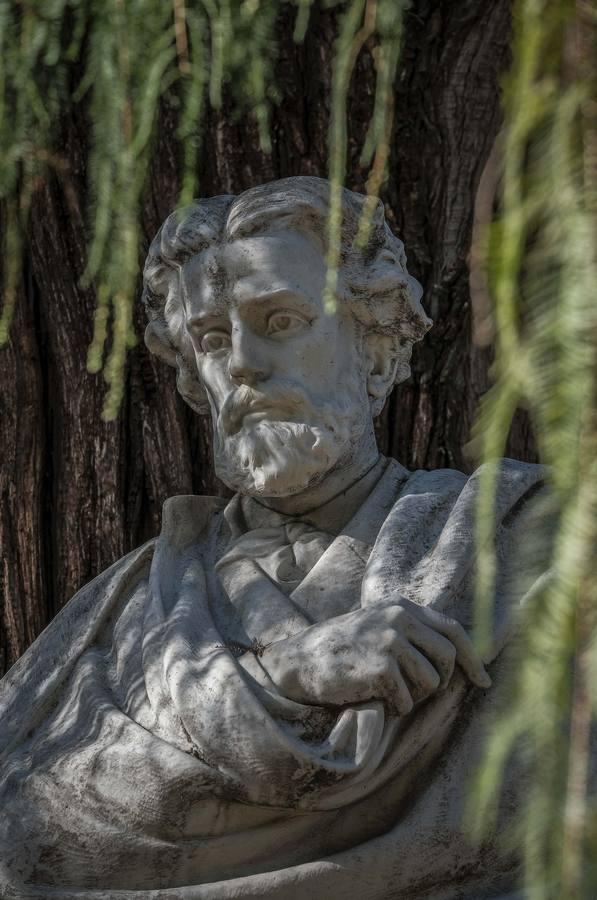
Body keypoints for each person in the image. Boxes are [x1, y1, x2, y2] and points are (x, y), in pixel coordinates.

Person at [0, 177, 548, 899]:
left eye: (281, 320)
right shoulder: (123, 608)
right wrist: (278, 679)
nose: (242, 362)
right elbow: (27, 829)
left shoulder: (518, 539)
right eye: (211, 338)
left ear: (377, 350)